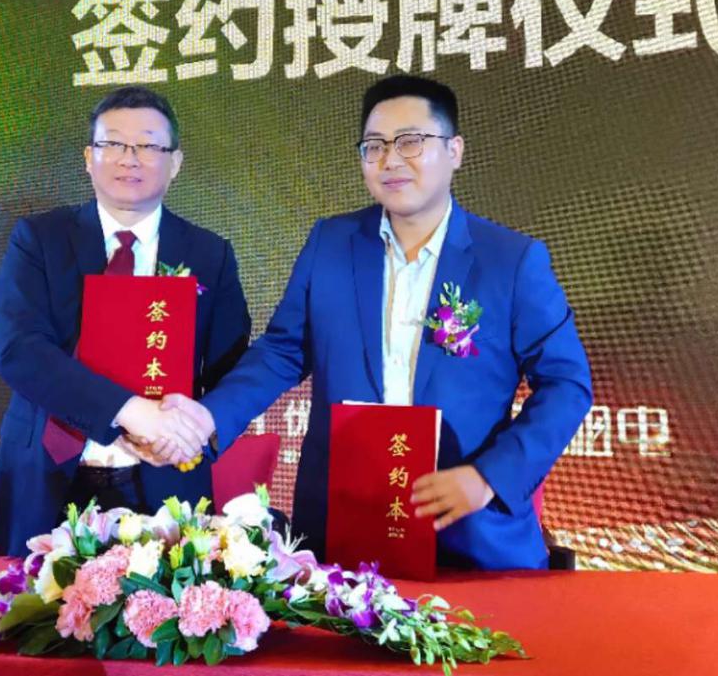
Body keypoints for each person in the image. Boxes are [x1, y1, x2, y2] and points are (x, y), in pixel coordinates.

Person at [167, 75, 591, 569]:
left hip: (468, 532)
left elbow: (566, 384)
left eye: (410, 142)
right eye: (375, 146)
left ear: (454, 150)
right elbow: (282, 351)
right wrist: (209, 418)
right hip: (342, 525)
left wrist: (489, 478)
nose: (390, 160)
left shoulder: (511, 260)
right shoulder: (331, 243)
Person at [0, 86, 250, 556]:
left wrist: (192, 434)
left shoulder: (210, 253)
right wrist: (131, 410)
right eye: (113, 143)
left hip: (163, 483)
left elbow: (231, 369)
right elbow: (20, 351)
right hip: (47, 477)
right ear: (88, 157)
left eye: (148, 145)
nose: (130, 158)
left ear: (175, 162)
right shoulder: (39, 239)